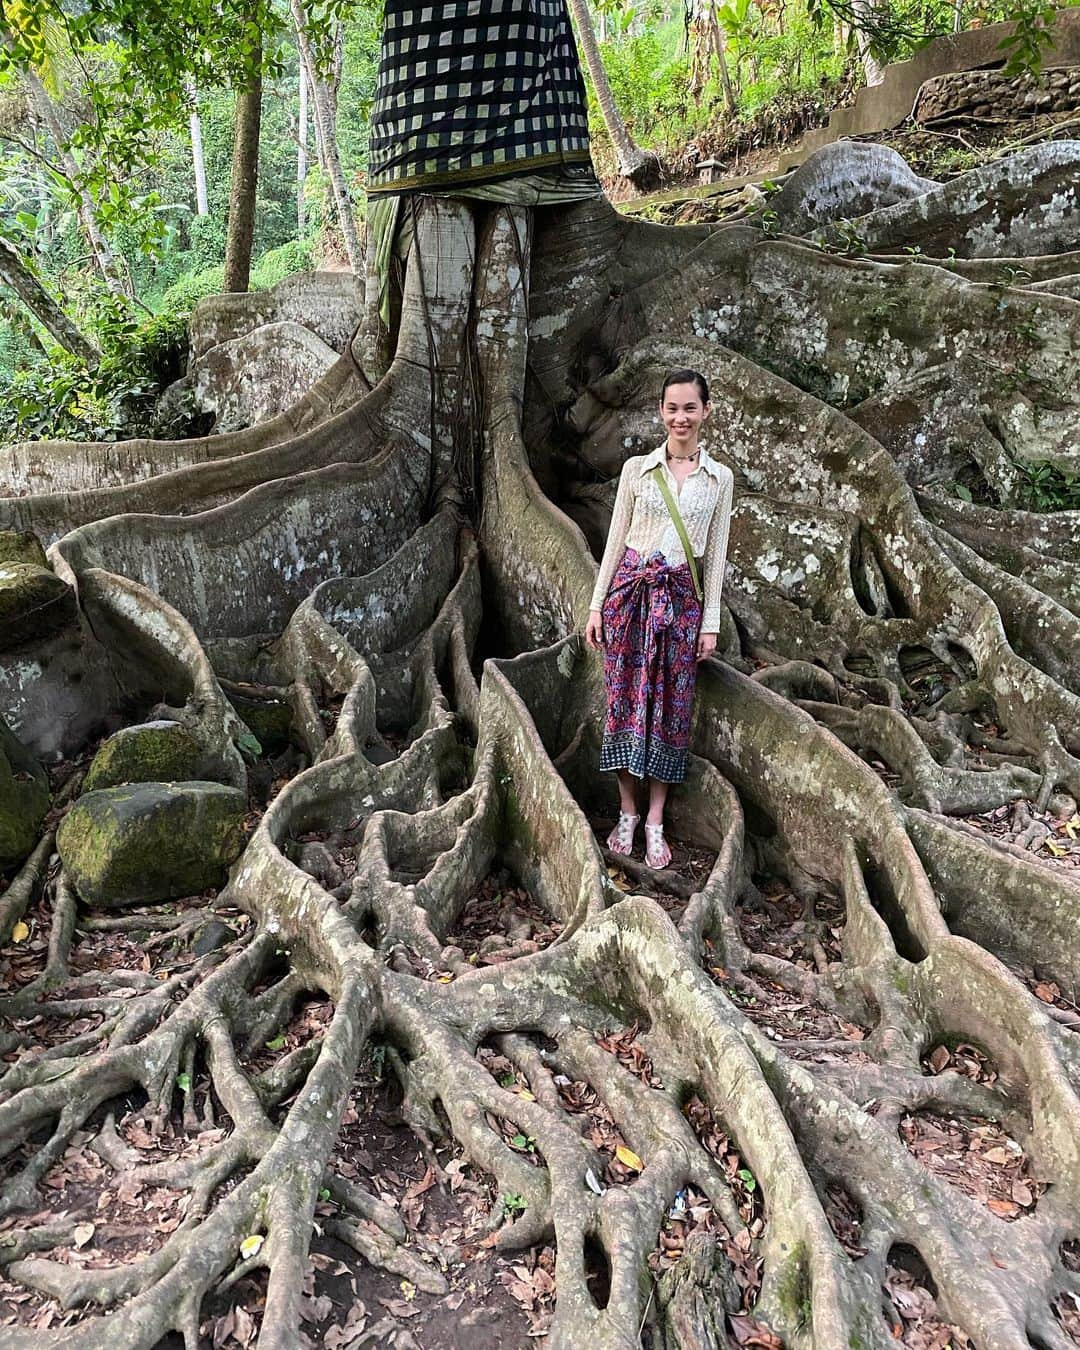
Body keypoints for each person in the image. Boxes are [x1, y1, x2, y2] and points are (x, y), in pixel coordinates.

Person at [584, 369, 734, 870]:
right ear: (661, 412)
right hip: (629, 598)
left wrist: (709, 622)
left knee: (671, 709)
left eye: (690, 407)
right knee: (624, 705)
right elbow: (615, 541)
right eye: (672, 408)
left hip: (681, 604)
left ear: (705, 411)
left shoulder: (719, 479)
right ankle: (626, 811)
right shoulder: (636, 471)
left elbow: (715, 557)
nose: (680, 418)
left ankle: (655, 819)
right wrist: (596, 605)